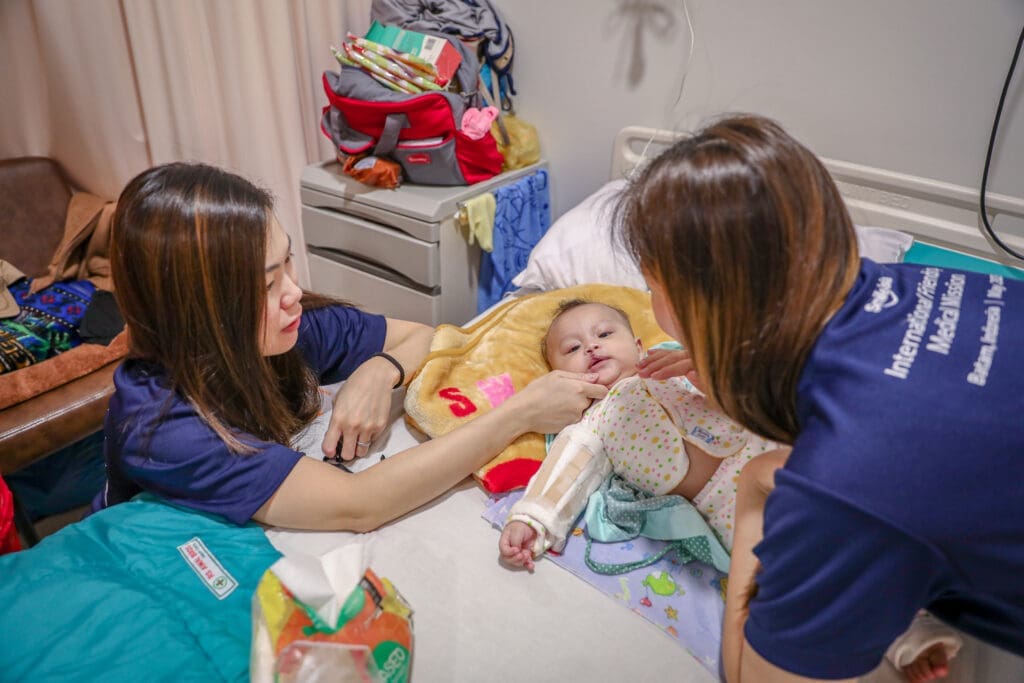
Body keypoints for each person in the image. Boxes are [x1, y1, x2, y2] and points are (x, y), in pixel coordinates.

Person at [617, 114, 1024, 683]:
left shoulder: (842, 485)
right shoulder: (940, 285)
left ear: (697, 306)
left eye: (651, 288)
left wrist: (755, 486)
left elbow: (752, 677)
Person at [91, 162, 607, 533]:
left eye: (287, 262)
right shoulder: (163, 426)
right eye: (266, 284)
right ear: (196, 310)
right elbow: (360, 505)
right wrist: (519, 413)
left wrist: (379, 370)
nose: (293, 292)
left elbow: (420, 335)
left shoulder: (289, 328)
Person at [498, 299, 958, 682]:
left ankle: (918, 598)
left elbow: (759, 381)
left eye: (604, 333)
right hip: (730, 510)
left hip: (772, 451)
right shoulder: (592, 423)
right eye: (573, 348)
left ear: (638, 345)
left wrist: (711, 371)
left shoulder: (677, 362)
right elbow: (567, 470)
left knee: (859, 517)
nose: (592, 346)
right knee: (804, 576)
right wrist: (533, 519)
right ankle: (897, 633)